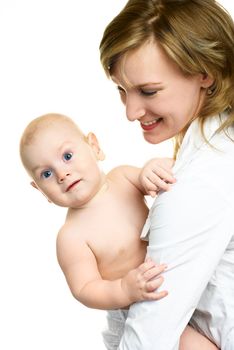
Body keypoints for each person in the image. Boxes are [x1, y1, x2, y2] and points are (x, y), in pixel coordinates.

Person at [19, 113, 218, 350]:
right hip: (138, 308)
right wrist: (124, 289)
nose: (62, 174)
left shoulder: (122, 177)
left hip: (180, 283)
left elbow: (151, 180)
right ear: (40, 190)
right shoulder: (71, 236)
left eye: (67, 156)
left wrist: (151, 169)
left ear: (94, 147)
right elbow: (85, 288)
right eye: (47, 174)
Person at [99, 0, 234, 349]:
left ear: (206, 72)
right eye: (121, 90)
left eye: (148, 91)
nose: (131, 111)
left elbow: (147, 340)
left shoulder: (197, 183)